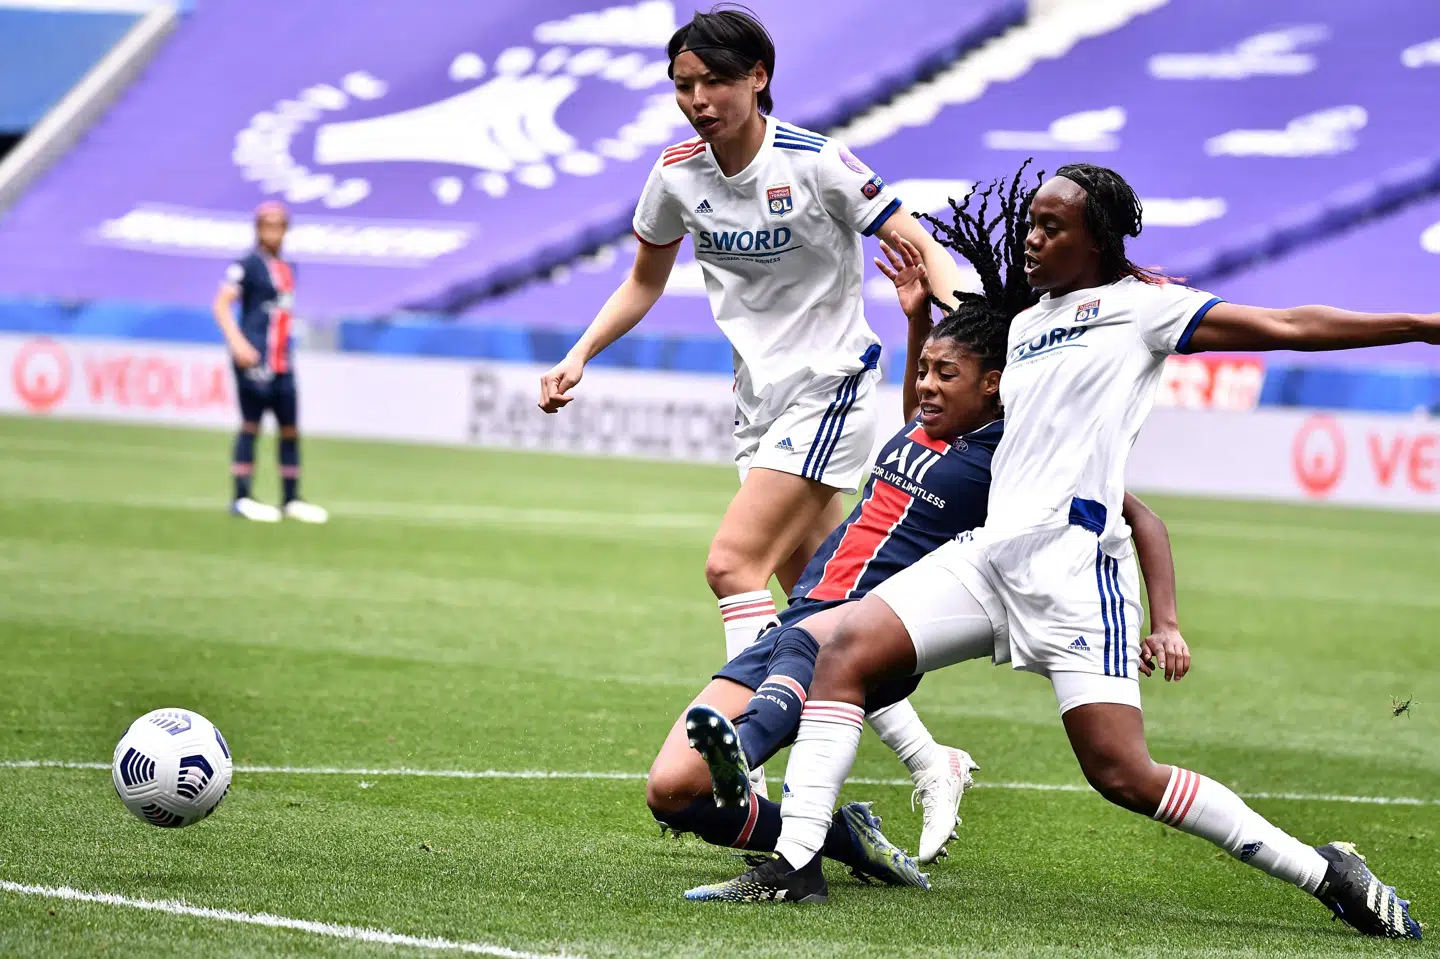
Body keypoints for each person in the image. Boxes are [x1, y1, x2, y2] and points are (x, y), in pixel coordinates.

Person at [700, 161, 1427, 940]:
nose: (1032, 239)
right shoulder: (1023, 325)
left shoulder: (1145, 310)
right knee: (842, 646)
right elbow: (934, 424)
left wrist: (1423, 326)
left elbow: (1289, 325)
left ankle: (1327, 872)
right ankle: (796, 862)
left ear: (1097, 240)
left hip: (1076, 575)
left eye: (1052, 227)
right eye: (1031, 224)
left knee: (1123, 773)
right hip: (988, 557)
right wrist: (918, 322)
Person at [656, 197, 1181, 902]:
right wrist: (915, 322)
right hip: (802, 614)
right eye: (928, 370)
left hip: (858, 632)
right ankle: (846, 837)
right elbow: (916, 415)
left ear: (996, 382)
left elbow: (1141, 517)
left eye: (946, 372)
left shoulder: (1021, 454)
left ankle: (745, 759)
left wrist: (1163, 622)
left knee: (767, 643)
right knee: (671, 792)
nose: (930, 385)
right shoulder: (932, 426)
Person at [536, 10, 969, 752]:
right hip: (759, 401)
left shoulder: (817, 162)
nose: (698, 100)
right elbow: (643, 282)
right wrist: (580, 354)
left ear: (757, 78)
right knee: (820, 608)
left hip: (831, 385)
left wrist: (971, 325)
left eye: (714, 82)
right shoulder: (676, 174)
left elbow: (920, 246)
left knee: (733, 565)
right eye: (684, 85)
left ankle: (746, 757)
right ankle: (932, 761)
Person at [212, 201, 327, 524]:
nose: (273, 231)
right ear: (258, 229)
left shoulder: (289, 267)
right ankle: (242, 497)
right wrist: (238, 343)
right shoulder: (247, 264)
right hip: (255, 357)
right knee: (251, 425)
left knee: (289, 429)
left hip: (282, 360)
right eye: (267, 225)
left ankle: (291, 499)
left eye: (279, 225)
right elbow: (221, 304)